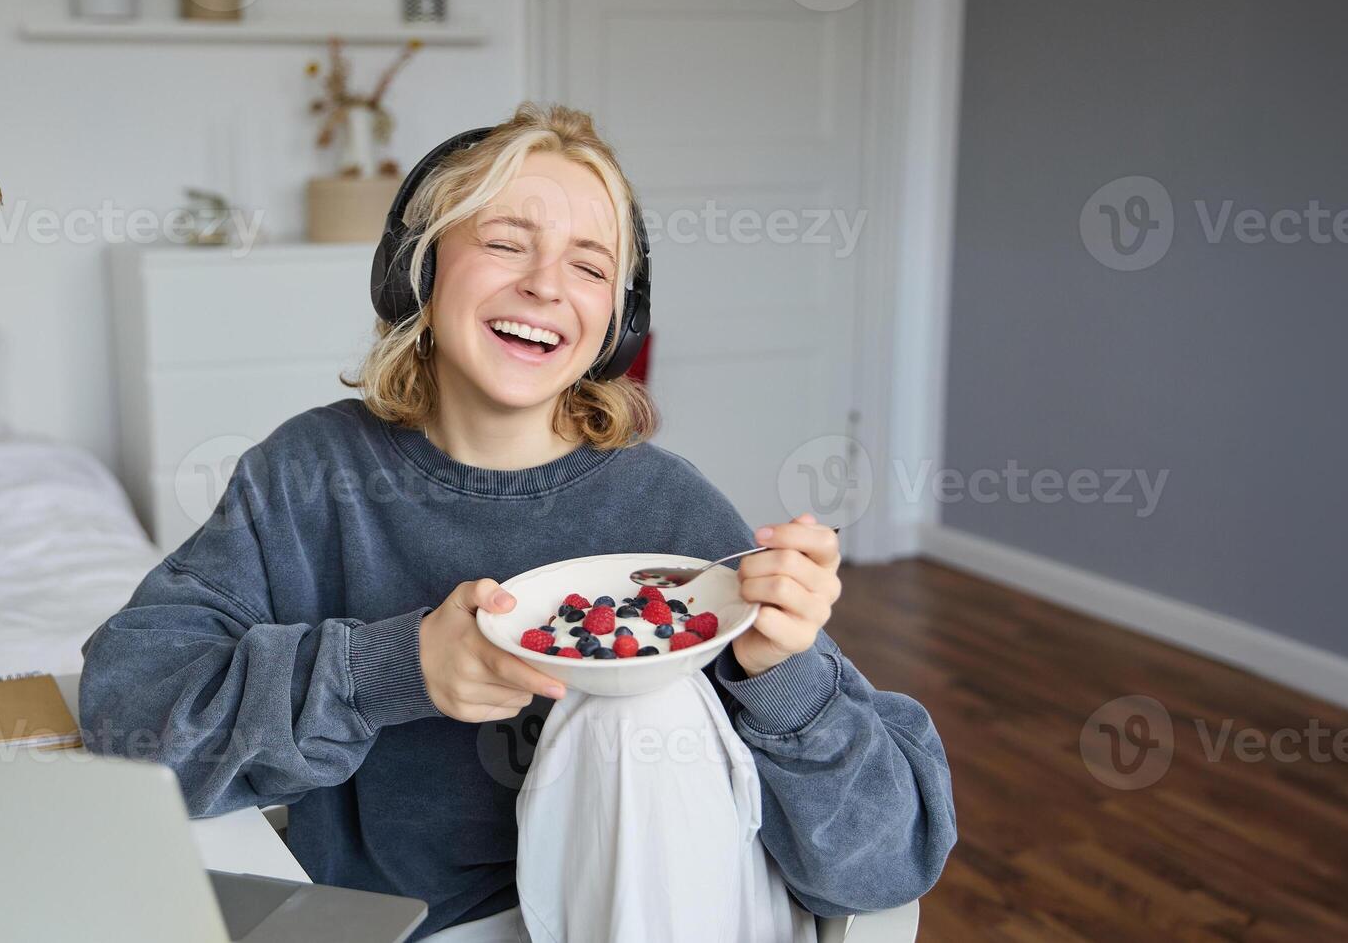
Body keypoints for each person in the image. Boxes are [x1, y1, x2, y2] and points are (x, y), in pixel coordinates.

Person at [78, 102, 955, 942]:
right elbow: (131, 715)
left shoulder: (671, 515)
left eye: (590, 265)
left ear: (617, 319)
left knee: (637, 712)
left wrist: (785, 679)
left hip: (661, 912)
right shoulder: (309, 479)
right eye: (504, 244)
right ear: (418, 271)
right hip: (405, 926)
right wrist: (393, 668)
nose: (545, 285)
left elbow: (886, 867)